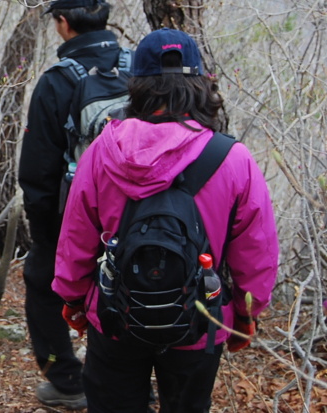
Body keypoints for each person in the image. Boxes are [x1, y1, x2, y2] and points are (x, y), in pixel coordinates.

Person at [53, 28, 279, 413]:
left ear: (136, 83)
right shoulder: (232, 158)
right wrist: (244, 315)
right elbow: (255, 252)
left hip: (115, 318)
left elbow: (76, 238)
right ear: (201, 83)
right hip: (200, 319)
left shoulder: (101, 152)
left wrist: (74, 300)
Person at [18, 0, 125, 409]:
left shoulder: (57, 81)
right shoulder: (141, 66)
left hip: (77, 216)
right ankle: (134, 377)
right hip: (143, 215)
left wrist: (45, 238)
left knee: (41, 281)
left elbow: (39, 173)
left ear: (62, 22)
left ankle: (66, 379)